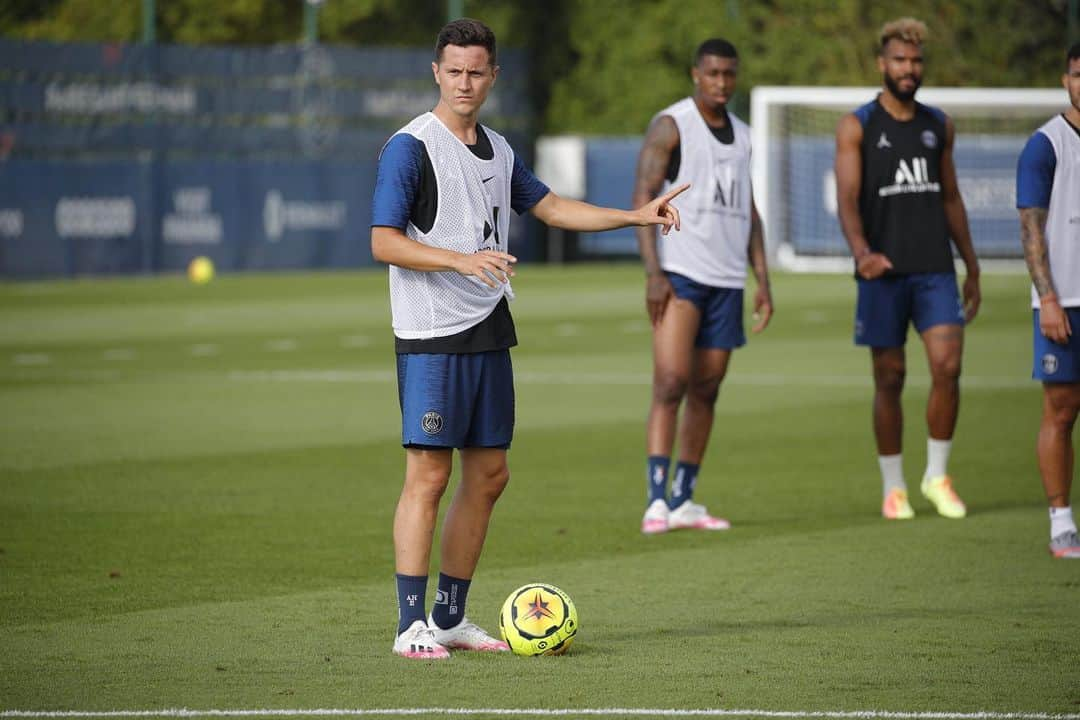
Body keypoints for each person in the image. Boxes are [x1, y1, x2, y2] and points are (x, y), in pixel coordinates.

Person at [370, 18, 688, 659]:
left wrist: (633, 216)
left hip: (489, 327)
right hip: (432, 335)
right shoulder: (411, 147)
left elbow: (551, 208)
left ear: (493, 76)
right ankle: (410, 627)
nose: (464, 82)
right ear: (436, 72)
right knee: (429, 477)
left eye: (476, 71)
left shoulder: (499, 148)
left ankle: (450, 618)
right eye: (453, 70)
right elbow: (383, 241)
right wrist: (460, 259)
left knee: (489, 475)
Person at [834, 17, 981, 520]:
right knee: (890, 377)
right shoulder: (858, 125)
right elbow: (847, 201)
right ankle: (893, 486)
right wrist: (862, 253)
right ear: (882, 64)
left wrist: (973, 266)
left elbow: (952, 197)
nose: (909, 69)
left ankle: (938, 476)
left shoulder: (938, 124)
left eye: (916, 61)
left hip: (934, 268)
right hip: (882, 272)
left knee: (948, 366)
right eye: (899, 60)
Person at [632, 38, 773, 535]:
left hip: (728, 278)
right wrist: (654, 273)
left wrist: (763, 278)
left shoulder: (745, 135)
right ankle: (655, 500)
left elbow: (749, 208)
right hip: (682, 273)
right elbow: (644, 198)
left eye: (729, 74)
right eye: (712, 74)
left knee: (707, 389)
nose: (721, 83)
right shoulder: (672, 125)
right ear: (696, 74)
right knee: (670, 381)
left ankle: (684, 498)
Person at [1016, 42, 1080, 558]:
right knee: (1061, 411)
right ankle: (1061, 522)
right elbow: (1031, 229)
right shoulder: (1046, 145)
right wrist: (1049, 299)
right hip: (1067, 302)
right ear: (1066, 80)